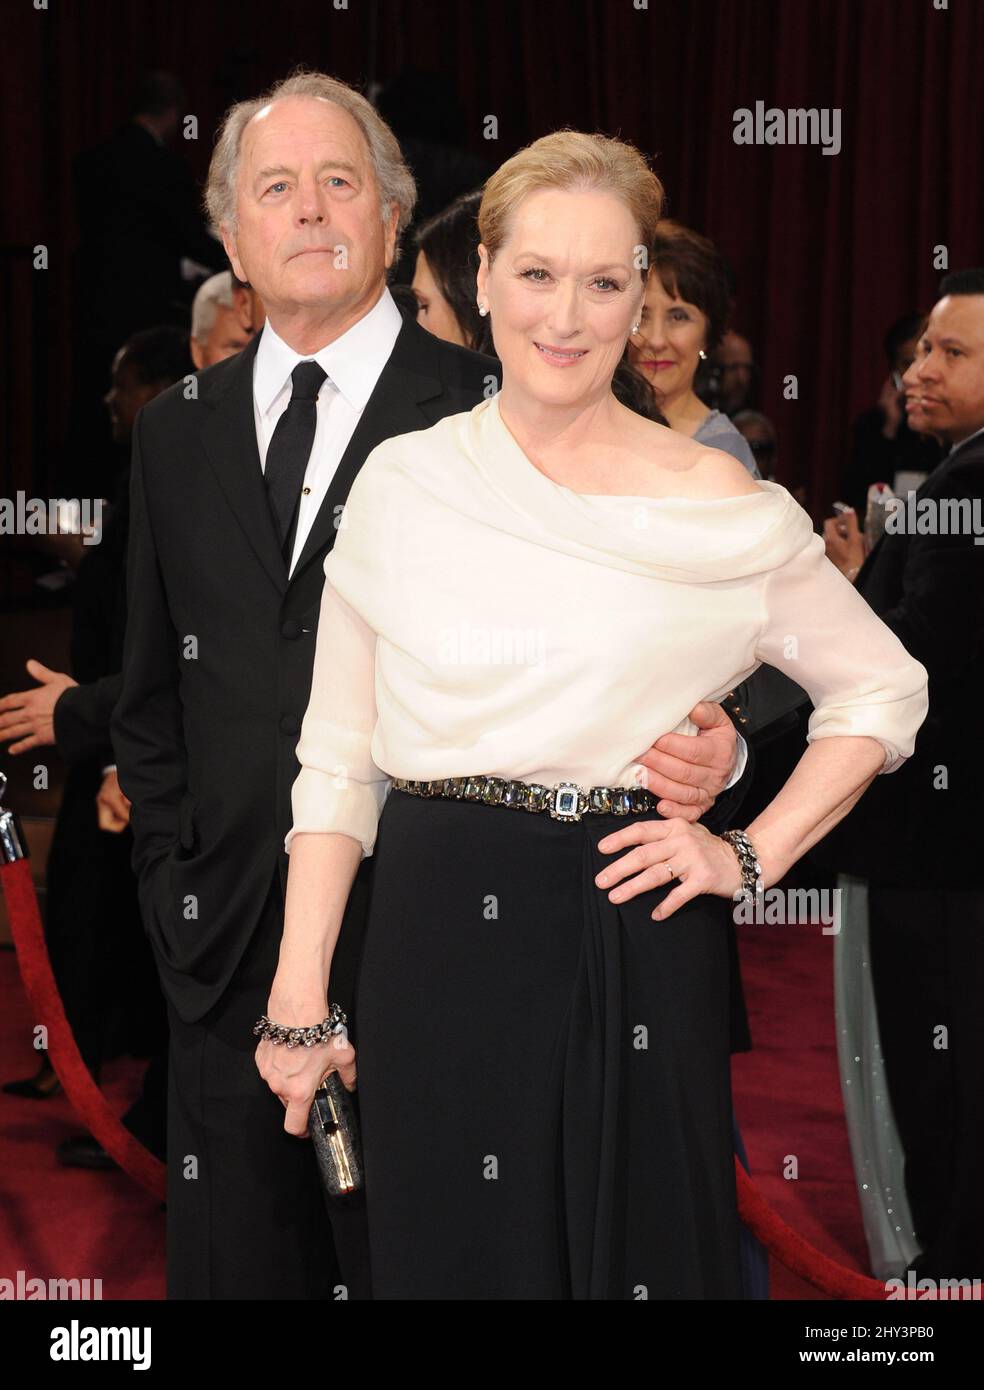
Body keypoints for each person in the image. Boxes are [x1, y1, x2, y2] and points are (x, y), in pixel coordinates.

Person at [110, 73, 748, 1301]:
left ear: (396, 221)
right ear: (230, 235)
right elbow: (151, 693)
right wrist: (174, 888)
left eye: (340, 181)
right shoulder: (174, 431)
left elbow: (716, 649)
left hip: (461, 945)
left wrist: (725, 756)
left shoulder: (505, 404)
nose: (308, 211)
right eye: (274, 189)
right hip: (230, 950)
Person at [269, 130, 929, 1299]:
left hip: (632, 916)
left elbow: (882, 687)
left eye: (604, 281)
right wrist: (300, 992)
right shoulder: (405, 482)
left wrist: (747, 852)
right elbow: (336, 759)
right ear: (481, 279)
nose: (564, 315)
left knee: (633, 1251)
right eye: (535, 274)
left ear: (641, 303)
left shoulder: (714, 502)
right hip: (431, 922)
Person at [817, 269, 984, 1281]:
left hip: (941, 842)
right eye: (919, 349)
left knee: (945, 1068)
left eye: (951, 352)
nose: (918, 368)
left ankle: (949, 1263)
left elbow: (923, 664)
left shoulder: (967, 483)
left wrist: (841, 599)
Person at [628, 221, 760, 476]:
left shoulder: (725, 454)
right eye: (641, 315)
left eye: (678, 317)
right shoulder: (587, 425)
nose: (656, 340)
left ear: (708, 334)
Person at [842, 312, 944, 520]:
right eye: (908, 363)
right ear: (894, 372)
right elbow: (858, 501)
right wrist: (889, 430)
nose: (919, 372)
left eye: (925, 358)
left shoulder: (953, 420)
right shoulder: (872, 425)